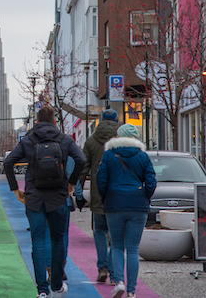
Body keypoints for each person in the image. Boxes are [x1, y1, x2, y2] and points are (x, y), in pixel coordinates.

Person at [4, 106, 85, 298]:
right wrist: (71, 183)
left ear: (37, 122)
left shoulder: (29, 140)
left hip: (34, 198)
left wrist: (15, 188)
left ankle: (42, 290)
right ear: (55, 122)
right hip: (58, 197)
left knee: (37, 242)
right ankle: (56, 285)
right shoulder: (65, 139)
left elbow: (8, 162)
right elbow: (80, 160)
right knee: (58, 241)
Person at [97, 123, 157, 298]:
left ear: (118, 136)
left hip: (114, 204)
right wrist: (144, 196)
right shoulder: (143, 156)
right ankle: (131, 290)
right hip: (138, 205)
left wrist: (106, 197)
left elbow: (101, 180)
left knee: (116, 245)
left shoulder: (109, 155)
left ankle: (119, 282)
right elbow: (151, 181)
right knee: (132, 249)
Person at [80, 107, 120, 284]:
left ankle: (102, 267)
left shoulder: (91, 140)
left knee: (100, 231)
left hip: (98, 192)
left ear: (101, 121)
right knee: (116, 234)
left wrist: (77, 190)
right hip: (118, 191)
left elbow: (83, 168)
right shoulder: (122, 140)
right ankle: (113, 271)